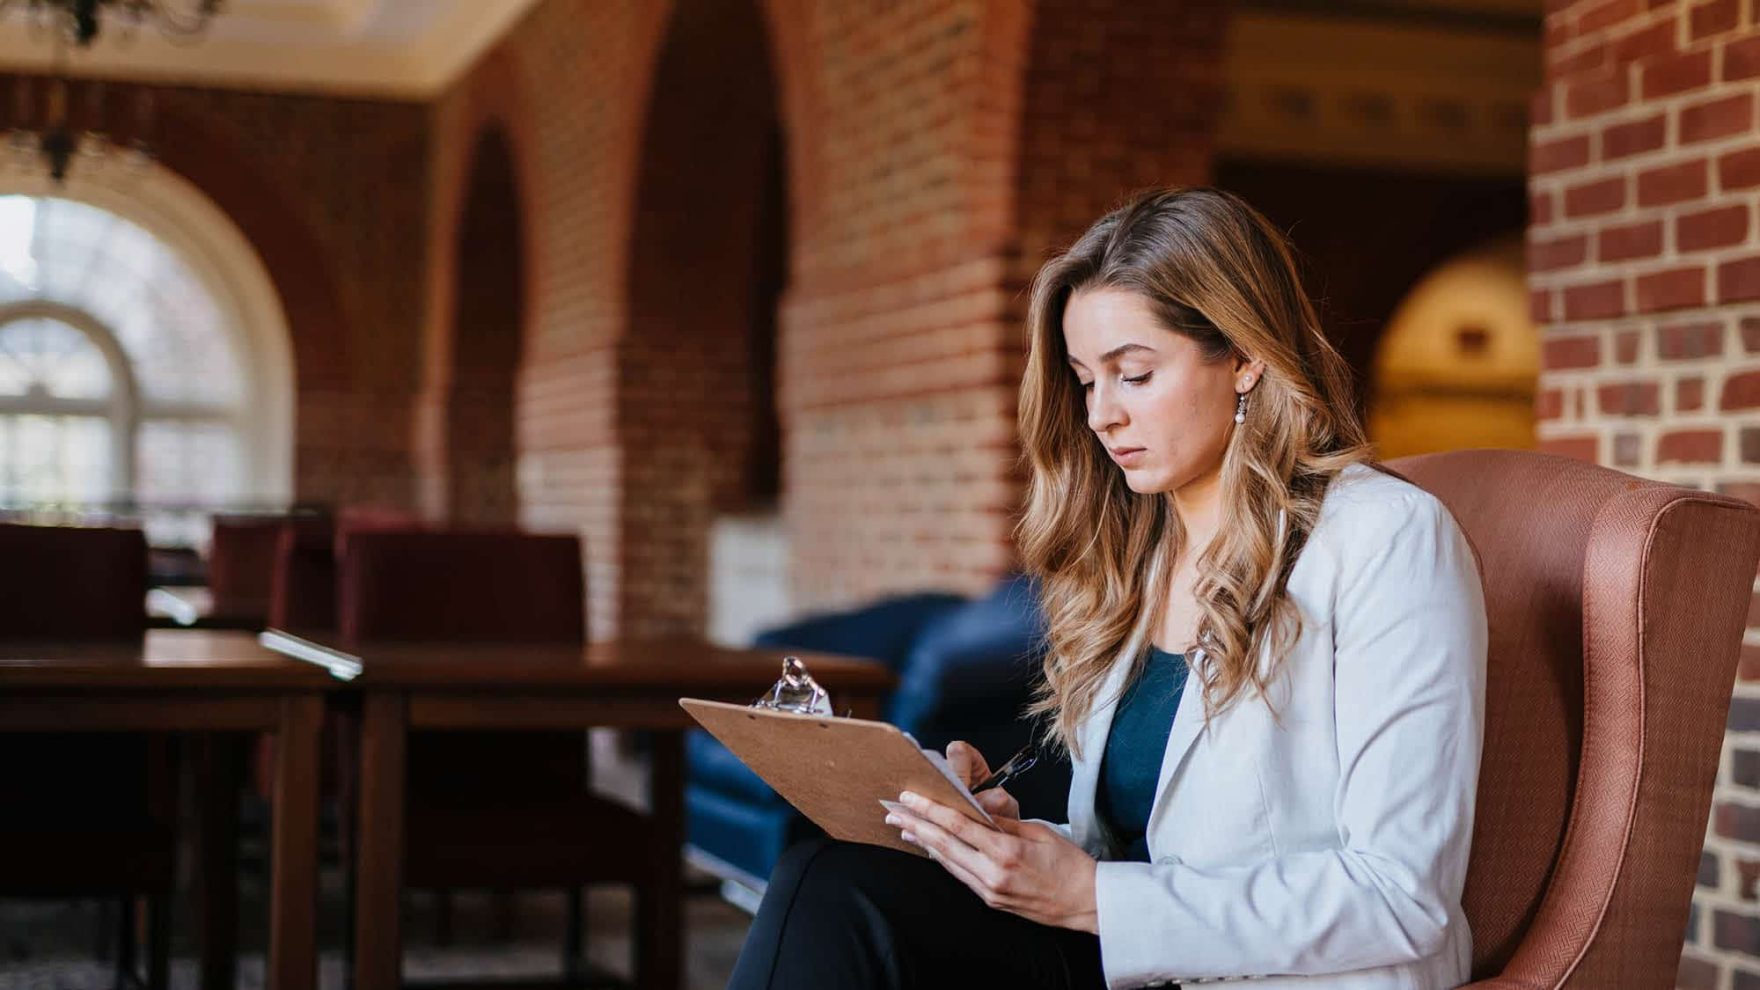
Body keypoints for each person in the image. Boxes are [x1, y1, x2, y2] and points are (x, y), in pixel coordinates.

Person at [727, 186, 1488, 990]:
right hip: (1137, 964)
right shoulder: (1140, 555)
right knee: (833, 877)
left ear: (1246, 356)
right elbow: (1147, 850)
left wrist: (1093, 898)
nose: (1101, 416)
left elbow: (1401, 895)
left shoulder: (1388, 539)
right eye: (1088, 381)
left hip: (1280, 978)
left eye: (1134, 374)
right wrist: (1014, 845)